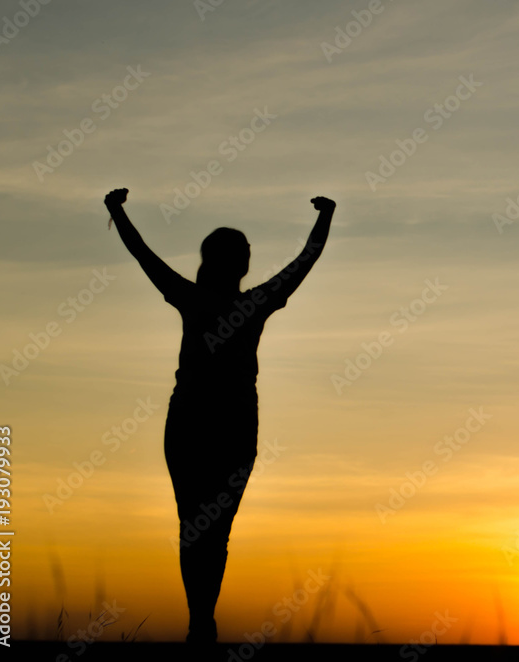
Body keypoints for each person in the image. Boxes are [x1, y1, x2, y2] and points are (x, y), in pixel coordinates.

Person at [103, 188, 335, 643]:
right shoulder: (248, 303)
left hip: (203, 422)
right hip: (217, 424)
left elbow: (142, 254)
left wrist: (117, 211)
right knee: (210, 529)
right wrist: (326, 216)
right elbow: (307, 259)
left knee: (196, 527)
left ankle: (200, 621)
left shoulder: (202, 299)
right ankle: (201, 622)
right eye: (244, 254)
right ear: (240, 263)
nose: (247, 260)